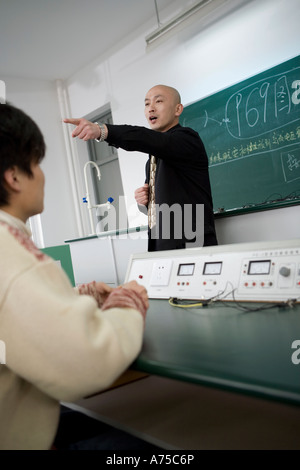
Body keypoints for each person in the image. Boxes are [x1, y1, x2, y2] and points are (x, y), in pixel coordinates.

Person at [0, 103, 160, 451]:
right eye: (37, 164)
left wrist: (79, 296)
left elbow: (18, 314)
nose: (42, 176)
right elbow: (87, 360)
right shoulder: (12, 252)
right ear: (13, 177)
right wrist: (126, 301)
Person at [64, 84, 218, 251]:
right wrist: (145, 202)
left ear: (178, 109)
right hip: (162, 243)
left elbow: (144, 137)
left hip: (192, 243)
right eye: (146, 104)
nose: (151, 108)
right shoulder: (153, 158)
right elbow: (166, 204)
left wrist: (103, 131)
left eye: (158, 101)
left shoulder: (187, 139)